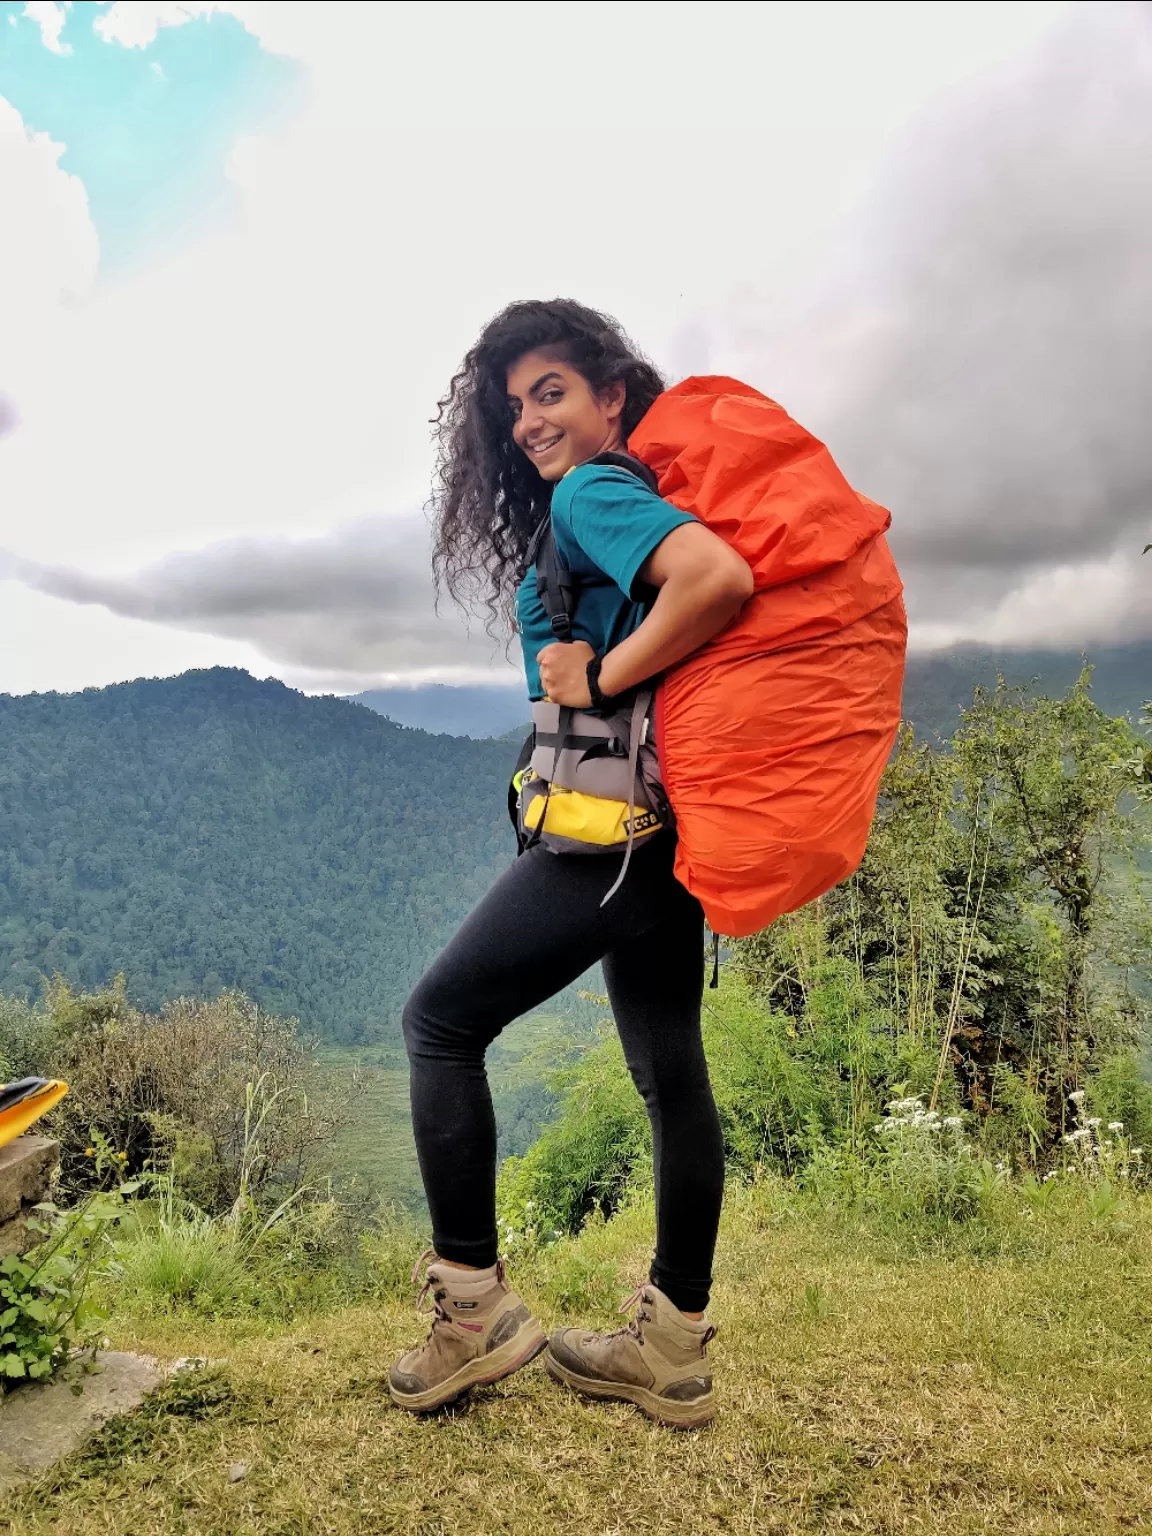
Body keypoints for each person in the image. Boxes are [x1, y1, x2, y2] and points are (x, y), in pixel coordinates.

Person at [390, 299, 753, 1429]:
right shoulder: (604, 498)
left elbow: (717, 581)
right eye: (515, 406)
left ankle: (473, 1315)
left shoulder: (597, 492)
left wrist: (595, 680)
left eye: (552, 392)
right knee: (669, 1076)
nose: (531, 420)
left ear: (612, 396)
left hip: (613, 842)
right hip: (663, 836)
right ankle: (673, 1349)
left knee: (439, 1022)